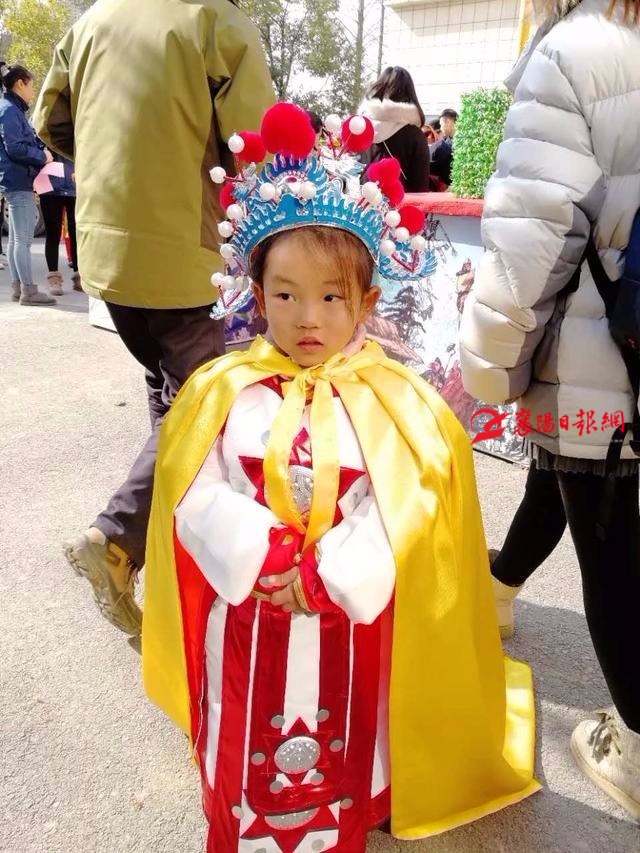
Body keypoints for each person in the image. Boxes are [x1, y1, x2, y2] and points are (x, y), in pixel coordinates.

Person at [142, 102, 539, 853]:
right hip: (248, 612)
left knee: (345, 736)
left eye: (331, 296)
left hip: (347, 623)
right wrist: (263, 553)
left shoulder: (395, 400)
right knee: (244, 736)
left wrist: (328, 575)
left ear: (367, 301)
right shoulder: (224, 392)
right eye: (285, 294)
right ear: (257, 294)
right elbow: (193, 489)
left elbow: (405, 511)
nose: (307, 318)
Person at [33, 0, 274, 637]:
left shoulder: (90, 22)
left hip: (108, 252)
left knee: (169, 396)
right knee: (202, 410)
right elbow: (258, 144)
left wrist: (117, 165)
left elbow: (51, 119)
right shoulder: (215, 22)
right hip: (186, 255)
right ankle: (117, 539)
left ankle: (167, 551)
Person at [460, 0, 640, 820]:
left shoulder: (581, 50)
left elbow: (529, 245)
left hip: (607, 367)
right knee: (569, 486)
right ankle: (500, 586)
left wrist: (491, 371)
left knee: (616, 559)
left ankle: (635, 748)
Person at [0, 62, 55, 306]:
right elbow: (15, 147)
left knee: (15, 240)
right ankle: (29, 292)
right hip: (18, 179)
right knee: (22, 240)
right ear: (20, 83)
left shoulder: (9, 108)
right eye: (32, 85)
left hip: (13, 178)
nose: (33, 91)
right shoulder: (10, 111)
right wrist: (42, 156)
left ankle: (18, 288)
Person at [359, 66, 430, 192]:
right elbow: (420, 186)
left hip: (362, 201)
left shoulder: (360, 129)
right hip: (401, 202)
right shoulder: (415, 136)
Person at [38, 152, 80, 296]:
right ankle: (54, 278)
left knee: (77, 233)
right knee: (52, 234)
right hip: (50, 187)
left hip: (75, 184)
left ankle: (79, 275)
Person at [430, 108, 458, 189]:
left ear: (448, 122)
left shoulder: (462, 140)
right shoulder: (448, 139)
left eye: (441, 125)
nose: (441, 128)